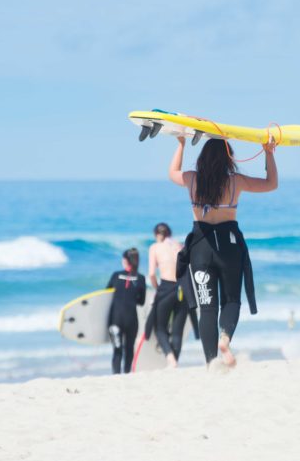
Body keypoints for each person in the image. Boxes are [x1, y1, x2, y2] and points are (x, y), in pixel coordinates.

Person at [169, 135, 278, 366]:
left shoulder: (191, 179)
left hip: (200, 248)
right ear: (229, 158)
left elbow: (172, 172)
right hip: (228, 246)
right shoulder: (235, 181)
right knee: (230, 300)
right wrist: (268, 153)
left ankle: (211, 363)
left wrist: (181, 143)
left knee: (207, 308)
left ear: (203, 158)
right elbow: (271, 183)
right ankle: (225, 339)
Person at [145, 222, 199, 368]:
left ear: (157, 235)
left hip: (166, 288)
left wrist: (157, 288)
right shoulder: (179, 246)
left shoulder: (155, 247)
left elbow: (151, 274)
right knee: (177, 330)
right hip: (183, 289)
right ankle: (175, 360)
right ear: (169, 233)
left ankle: (170, 358)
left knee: (160, 327)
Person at [107, 248, 146, 374]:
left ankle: (116, 375)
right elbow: (141, 302)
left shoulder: (115, 275)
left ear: (125, 260)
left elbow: (106, 294)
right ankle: (127, 373)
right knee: (129, 349)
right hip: (131, 319)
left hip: (115, 319)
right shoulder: (141, 278)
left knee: (117, 349)